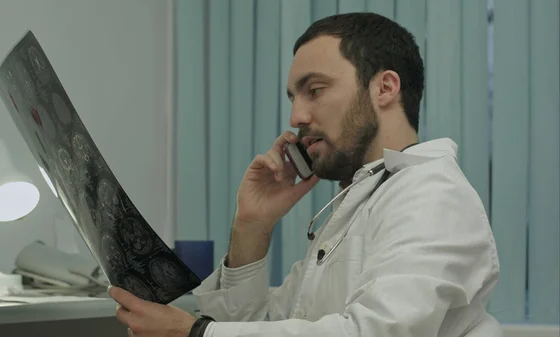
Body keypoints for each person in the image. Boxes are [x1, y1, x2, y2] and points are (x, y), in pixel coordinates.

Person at [109, 12, 502, 337]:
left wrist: (195, 333)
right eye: (294, 98)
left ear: (384, 88)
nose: (296, 117)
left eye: (314, 90)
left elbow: (376, 333)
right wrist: (252, 225)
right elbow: (252, 327)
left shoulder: (432, 195)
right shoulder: (359, 202)